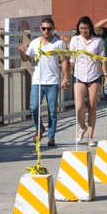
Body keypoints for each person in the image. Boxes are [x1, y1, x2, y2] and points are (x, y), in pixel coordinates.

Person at [19, 17, 67, 147]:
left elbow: (64, 61)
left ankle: (51, 137)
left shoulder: (59, 43)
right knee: (34, 107)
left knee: (52, 111)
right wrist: (21, 51)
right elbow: (25, 59)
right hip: (37, 81)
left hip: (52, 81)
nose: (46, 31)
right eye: (44, 28)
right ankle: (39, 128)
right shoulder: (35, 42)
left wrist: (66, 77)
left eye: (49, 29)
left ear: (53, 29)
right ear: (40, 29)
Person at [65, 16, 106, 146]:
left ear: (90, 28)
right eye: (81, 28)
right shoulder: (74, 41)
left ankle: (90, 137)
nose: (84, 31)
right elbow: (72, 59)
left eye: (86, 28)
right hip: (79, 75)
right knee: (79, 106)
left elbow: (102, 58)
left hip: (94, 75)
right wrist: (66, 76)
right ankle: (82, 127)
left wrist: (106, 76)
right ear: (78, 28)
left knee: (92, 106)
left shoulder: (97, 41)